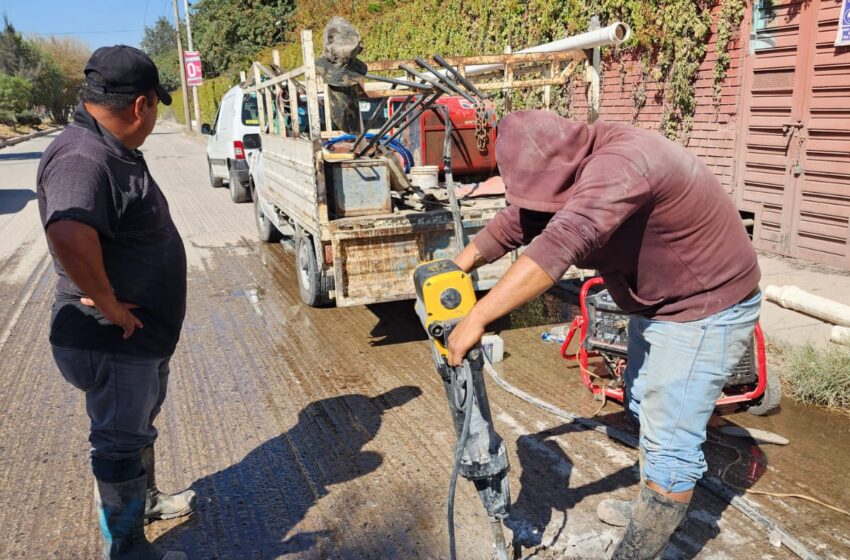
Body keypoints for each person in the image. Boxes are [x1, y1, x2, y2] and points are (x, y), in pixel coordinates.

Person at [448, 110, 761, 559]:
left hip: (703, 307)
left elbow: (560, 244)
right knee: (642, 404)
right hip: (660, 304)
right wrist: (454, 269)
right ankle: (651, 503)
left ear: (561, 165)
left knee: (670, 438)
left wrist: (478, 317)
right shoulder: (575, 163)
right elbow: (518, 222)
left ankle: (642, 544)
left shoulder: (623, 165)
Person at [37, 46, 194, 560]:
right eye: (155, 109)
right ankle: (128, 549)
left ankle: (143, 501)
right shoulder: (83, 156)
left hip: (139, 337)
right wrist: (109, 304)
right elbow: (67, 229)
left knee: (137, 426)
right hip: (114, 339)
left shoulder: (106, 147)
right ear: (140, 105)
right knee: (120, 441)